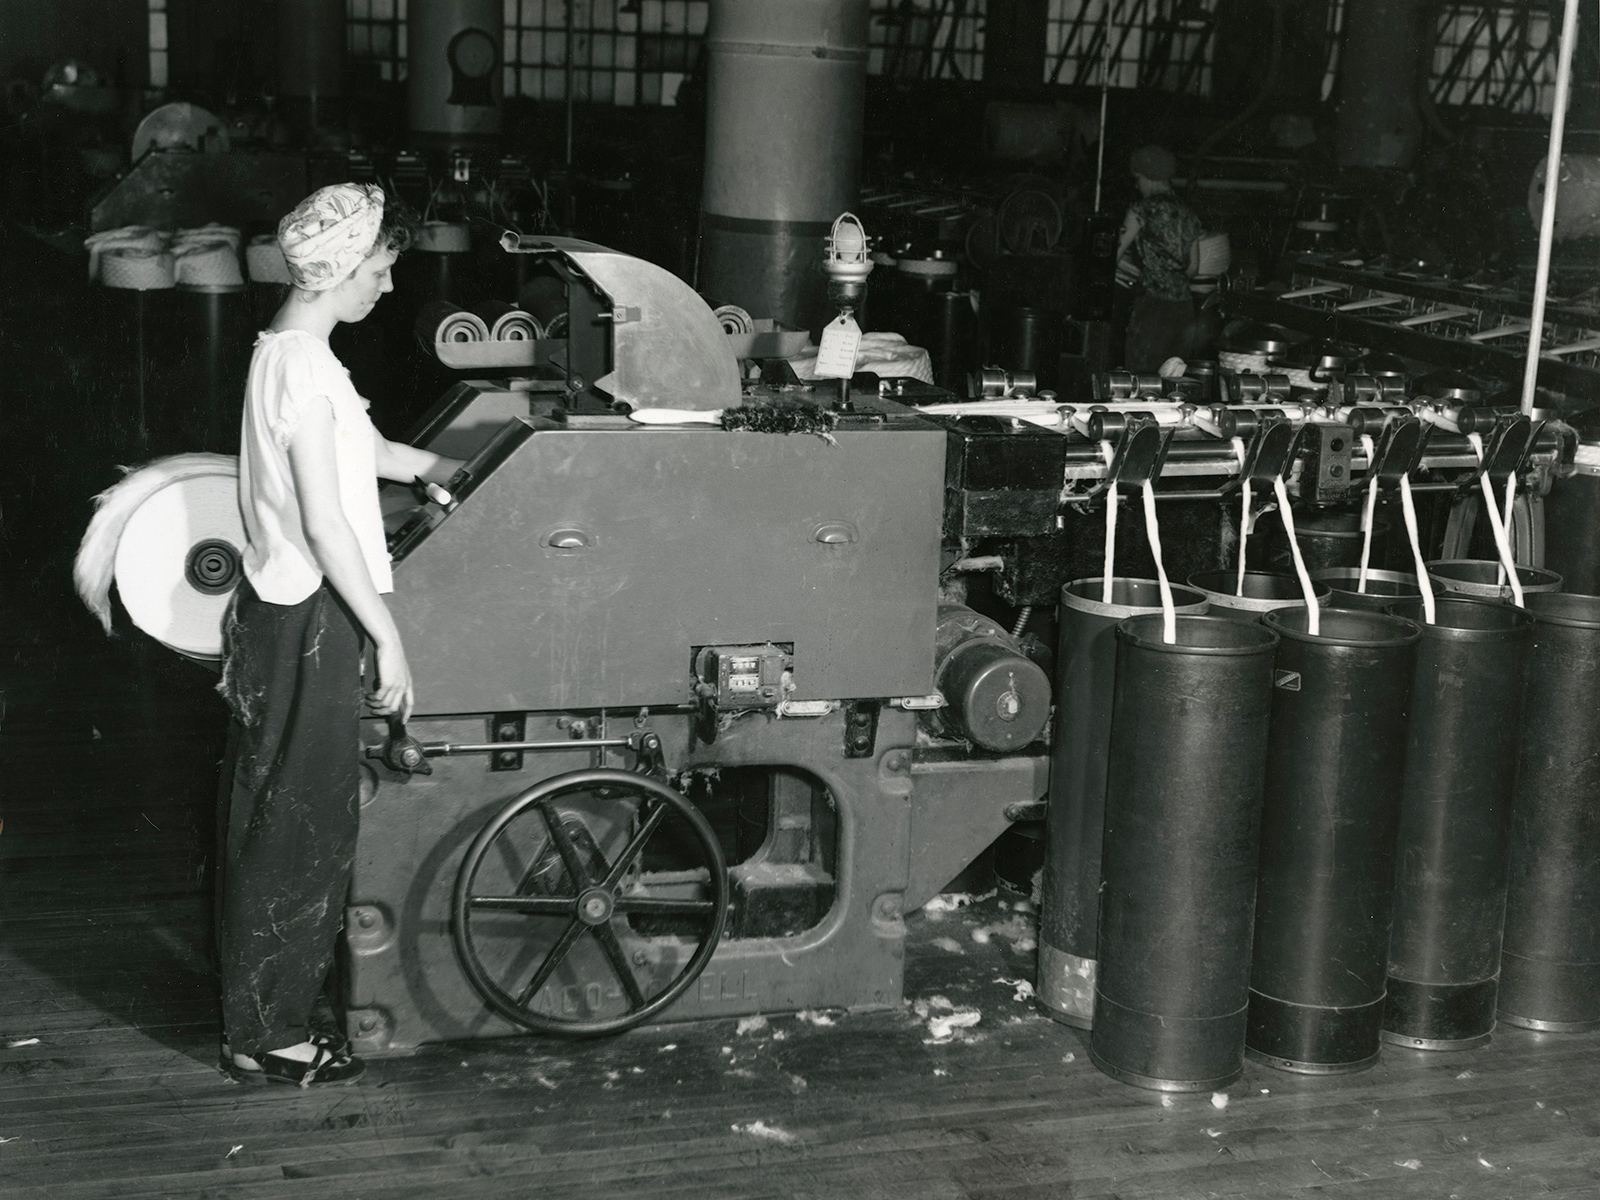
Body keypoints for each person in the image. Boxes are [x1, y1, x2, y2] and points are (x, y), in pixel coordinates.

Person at [216, 183, 462, 1086]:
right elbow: (327, 526)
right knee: (299, 823)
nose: (389, 288)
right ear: (336, 272)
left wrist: (461, 469)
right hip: (311, 615)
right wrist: (387, 638)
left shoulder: (290, 352)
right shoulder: (306, 372)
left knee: (281, 811)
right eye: (381, 270)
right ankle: (265, 1032)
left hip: (285, 609)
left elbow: (376, 455)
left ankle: (263, 1007)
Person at [1116, 144, 1203, 371]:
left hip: (1152, 309)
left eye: (1138, 178)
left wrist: (1134, 272)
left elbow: (1111, 255)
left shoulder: (1141, 209)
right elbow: (1193, 268)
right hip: (1184, 308)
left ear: (1146, 176)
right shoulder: (1188, 214)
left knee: (1142, 378)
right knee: (1173, 376)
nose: (1137, 184)